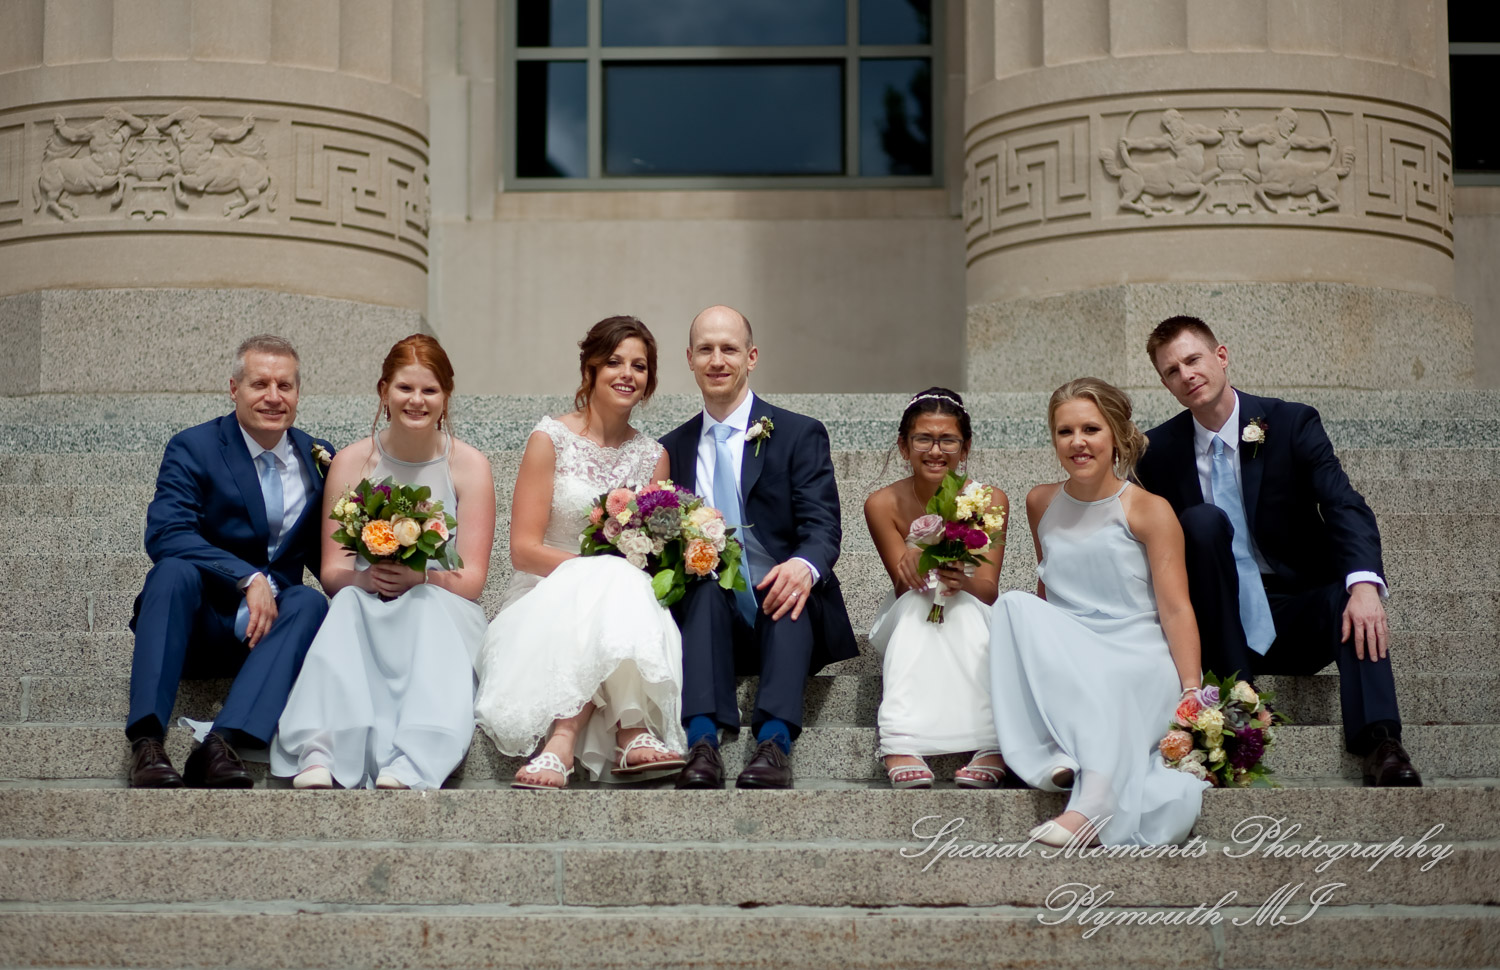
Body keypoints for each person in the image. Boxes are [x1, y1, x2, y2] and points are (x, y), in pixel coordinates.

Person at [1134, 315, 1420, 786]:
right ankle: (1234, 707)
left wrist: (1366, 584)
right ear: (1164, 382)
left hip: (1294, 609)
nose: (1185, 375)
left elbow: (1343, 503)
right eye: (1171, 370)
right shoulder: (1159, 451)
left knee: (1351, 599)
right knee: (1201, 523)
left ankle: (1380, 742)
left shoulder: (1289, 422)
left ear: (1221, 357)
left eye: (1193, 360)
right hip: (1217, 619)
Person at [269, 335, 494, 790]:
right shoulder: (353, 462)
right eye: (405, 388)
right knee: (348, 603)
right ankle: (322, 750)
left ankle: (416, 757)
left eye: (429, 391)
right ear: (383, 391)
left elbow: (472, 579)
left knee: (424, 603)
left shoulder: (469, 466)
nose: (417, 400)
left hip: (442, 604)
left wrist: (418, 576)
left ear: (446, 396)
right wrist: (370, 577)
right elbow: (332, 572)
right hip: (370, 597)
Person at [990, 378, 1207, 847]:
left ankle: (1096, 801)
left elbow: (1175, 607)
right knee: (1011, 605)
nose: (1078, 442)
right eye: (1065, 432)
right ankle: (1052, 757)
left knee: (1106, 678)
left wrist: (1191, 689)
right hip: (1074, 643)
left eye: (1091, 428)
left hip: (1137, 653)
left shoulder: (1149, 510)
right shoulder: (1040, 501)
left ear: (1117, 435)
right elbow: (1047, 584)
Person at [473, 316, 687, 789]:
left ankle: (563, 743)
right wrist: (595, 571)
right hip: (546, 591)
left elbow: (649, 555)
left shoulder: (654, 456)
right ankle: (628, 731)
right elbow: (524, 550)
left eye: (640, 365)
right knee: (608, 578)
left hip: (623, 596)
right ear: (589, 368)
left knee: (620, 581)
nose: (627, 373)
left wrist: (612, 571)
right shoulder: (550, 439)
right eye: (614, 361)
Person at [661, 305, 859, 789]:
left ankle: (773, 744)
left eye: (729, 349)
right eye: (705, 349)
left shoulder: (796, 433)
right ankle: (703, 742)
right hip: (711, 619)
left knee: (787, 589)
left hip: (785, 610)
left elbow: (822, 525)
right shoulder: (672, 448)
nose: (717, 360)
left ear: (751, 357)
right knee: (702, 586)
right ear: (689, 359)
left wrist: (803, 566)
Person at [125, 335, 334, 788]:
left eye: (285, 385)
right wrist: (246, 576)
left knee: (310, 602)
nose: (273, 397)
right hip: (197, 623)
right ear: (234, 388)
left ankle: (220, 745)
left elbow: (326, 554)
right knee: (173, 570)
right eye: (260, 383)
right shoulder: (194, 447)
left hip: (267, 635)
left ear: (299, 393)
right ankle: (147, 743)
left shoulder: (319, 458)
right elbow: (166, 533)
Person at [864, 388, 1009, 789]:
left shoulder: (989, 499)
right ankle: (899, 740)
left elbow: (989, 590)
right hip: (909, 607)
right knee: (919, 600)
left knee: (957, 600)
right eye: (923, 439)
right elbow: (901, 585)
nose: (935, 450)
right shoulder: (882, 503)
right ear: (904, 445)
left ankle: (992, 743)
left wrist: (959, 578)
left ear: (964, 448)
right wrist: (915, 557)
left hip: (971, 602)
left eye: (948, 440)